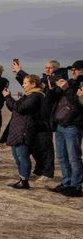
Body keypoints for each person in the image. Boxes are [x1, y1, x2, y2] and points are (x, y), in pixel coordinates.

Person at [13, 59, 66, 182]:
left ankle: (48, 173)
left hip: (46, 120)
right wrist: (20, 72)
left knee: (46, 147)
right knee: (35, 147)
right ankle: (39, 169)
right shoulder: (44, 80)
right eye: (46, 67)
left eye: (50, 68)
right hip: (36, 119)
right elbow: (32, 83)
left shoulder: (59, 79)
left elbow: (52, 92)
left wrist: (51, 86)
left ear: (56, 69)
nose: (47, 69)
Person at [3, 75, 46, 189]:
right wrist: (8, 98)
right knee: (17, 156)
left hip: (25, 129)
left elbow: (20, 108)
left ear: (33, 84)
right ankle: (22, 178)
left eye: (26, 83)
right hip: (18, 129)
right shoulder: (28, 95)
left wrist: (8, 97)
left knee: (23, 156)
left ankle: (24, 180)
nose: (23, 85)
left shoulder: (36, 96)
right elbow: (14, 107)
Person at [48, 60, 83, 197]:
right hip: (60, 124)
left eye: (77, 69)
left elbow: (79, 104)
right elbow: (54, 99)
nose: (73, 71)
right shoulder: (72, 83)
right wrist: (54, 87)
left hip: (73, 126)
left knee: (74, 158)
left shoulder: (77, 85)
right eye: (72, 69)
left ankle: (76, 186)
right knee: (62, 157)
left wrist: (67, 89)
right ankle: (67, 182)